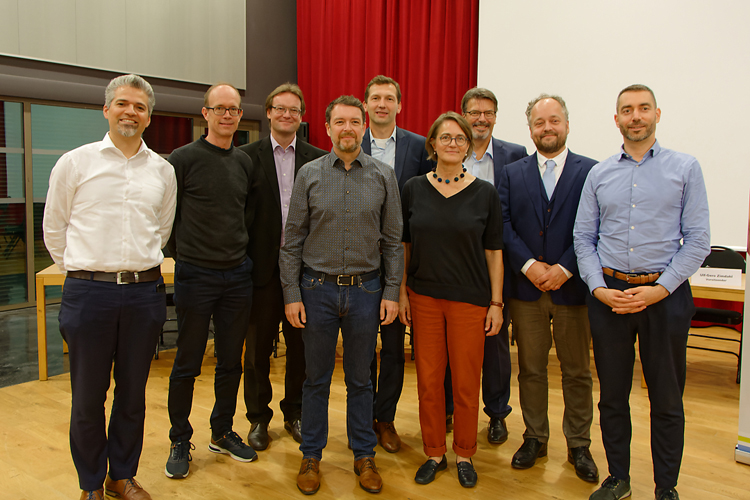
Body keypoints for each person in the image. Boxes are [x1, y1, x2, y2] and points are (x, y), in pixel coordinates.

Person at [43, 74, 176, 500]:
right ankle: (90, 485)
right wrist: (85, 270)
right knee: (87, 398)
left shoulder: (163, 170)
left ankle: (121, 475)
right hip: (89, 295)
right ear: (106, 109)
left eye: (139, 107)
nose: (130, 112)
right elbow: (54, 228)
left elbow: (161, 230)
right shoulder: (75, 162)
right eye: (122, 104)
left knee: (132, 393)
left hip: (144, 294)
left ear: (149, 116)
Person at [574, 84, 710, 500]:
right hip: (610, 297)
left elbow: (699, 240)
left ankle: (666, 486)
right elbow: (583, 238)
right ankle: (618, 478)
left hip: (664, 298)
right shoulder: (599, 173)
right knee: (613, 395)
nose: (635, 116)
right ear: (616, 119)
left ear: (657, 114)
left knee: (667, 399)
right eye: (627, 110)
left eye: (643, 109)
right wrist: (598, 288)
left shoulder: (685, 168)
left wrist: (660, 289)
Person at [281, 95, 403, 495]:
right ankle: (311, 455)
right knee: (315, 379)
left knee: (361, 380)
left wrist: (390, 292)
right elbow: (292, 240)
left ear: (363, 126)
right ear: (328, 127)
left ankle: (363, 454)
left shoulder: (384, 175)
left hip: (367, 293)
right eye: (340, 122)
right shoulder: (309, 175)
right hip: (316, 291)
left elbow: (393, 242)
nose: (348, 128)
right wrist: (291, 293)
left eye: (355, 121)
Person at [400, 111, 504, 488]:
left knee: (464, 382)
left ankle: (463, 453)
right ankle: (433, 452)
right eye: (445, 138)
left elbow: (494, 252)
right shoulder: (412, 188)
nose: (453, 144)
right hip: (424, 297)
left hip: (470, 301)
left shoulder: (485, 193)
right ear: (432, 144)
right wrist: (402, 294)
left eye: (460, 138)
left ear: (468, 146)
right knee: (428, 381)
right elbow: (404, 246)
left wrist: (496, 303)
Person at [498, 94, 598, 482]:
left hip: (572, 291)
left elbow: (595, 228)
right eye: (539, 123)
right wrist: (528, 265)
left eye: (554, 121)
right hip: (526, 291)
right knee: (530, 369)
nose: (547, 129)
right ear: (530, 129)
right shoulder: (513, 172)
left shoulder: (591, 171)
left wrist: (564, 268)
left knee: (577, 372)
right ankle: (535, 437)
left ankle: (579, 444)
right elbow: (504, 225)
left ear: (567, 124)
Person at [165, 83, 257, 479]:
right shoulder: (181, 159)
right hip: (196, 274)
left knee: (231, 362)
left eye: (233, 109)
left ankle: (221, 431)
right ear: (205, 113)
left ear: (239, 115)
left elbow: (246, 215)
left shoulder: (244, 162)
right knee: (187, 362)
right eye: (219, 108)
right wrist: (182, 255)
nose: (227, 115)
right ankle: (180, 438)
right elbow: (166, 216)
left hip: (237, 275)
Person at [238, 83, 327, 451]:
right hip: (260, 273)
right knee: (257, 351)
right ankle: (259, 419)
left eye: (294, 110)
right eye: (280, 108)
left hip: (306, 273)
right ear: (269, 112)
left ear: (302, 117)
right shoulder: (245, 156)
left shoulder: (320, 159)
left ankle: (296, 413)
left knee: (301, 349)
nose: (287, 114)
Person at [444, 87, 525, 444]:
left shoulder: (515, 156)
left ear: (495, 116)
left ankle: (496, 413)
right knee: (449, 345)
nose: (481, 119)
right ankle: (449, 408)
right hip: (451, 265)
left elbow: (516, 215)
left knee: (494, 345)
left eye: (487, 113)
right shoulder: (447, 151)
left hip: (494, 265)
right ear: (463, 114)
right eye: (474, 112)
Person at [361, 75, 433, 453]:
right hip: (358, 262)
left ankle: (385, 419)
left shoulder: (420, 147)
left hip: (401, 260)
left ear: (399, 105)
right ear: (366, 104)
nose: (382, 104)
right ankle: (362, 420)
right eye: (375, 98)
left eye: (389, 98)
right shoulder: (351, 142)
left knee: (392, 347)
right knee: (359, 347)